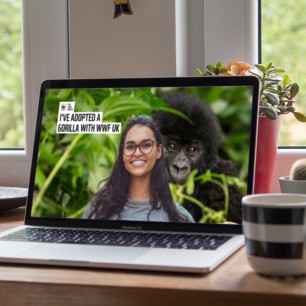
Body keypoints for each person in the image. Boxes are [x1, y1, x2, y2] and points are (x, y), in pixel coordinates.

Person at [83, 115, 195, 223]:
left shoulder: (180, 217)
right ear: (123, 153)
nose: (137, 153)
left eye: (146, 145)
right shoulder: (98, 207)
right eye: (130, 147)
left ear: (159, 151)